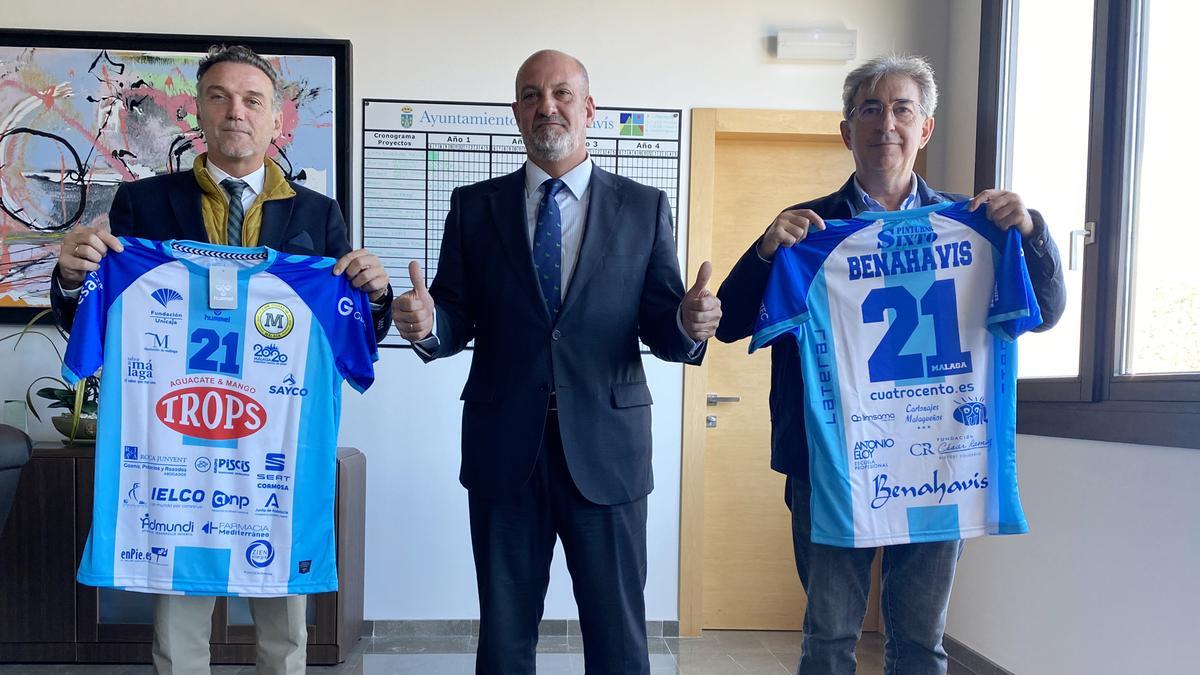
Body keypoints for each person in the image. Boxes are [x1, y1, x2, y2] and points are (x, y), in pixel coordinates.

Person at [715, 54, 1066, 675]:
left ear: (925, 128)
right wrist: (767, 250)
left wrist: (1032, 232)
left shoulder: (976, 226)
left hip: (940, 461)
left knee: (919, 643)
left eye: (902, 108)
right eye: (870, 109)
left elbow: (1046, 311)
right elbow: (735, 321)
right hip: (828, 467)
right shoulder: (807, 230)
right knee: (828, 641)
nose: (887, 123)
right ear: (847, 130)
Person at [50, 44, 392, 675]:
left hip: (275, 446)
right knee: (178, 623)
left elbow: (349, 327)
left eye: (252, 99)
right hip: (173, 442)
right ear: (198, 114)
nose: (236, 111)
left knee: (285, 626)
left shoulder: (319, 213)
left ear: (275, 119)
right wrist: (74, 279)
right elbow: (101, 312)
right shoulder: (144, 205)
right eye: (220, 96)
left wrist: (376, 294)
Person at [392, 49, 721, 674]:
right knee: (505, 636)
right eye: (532, 94)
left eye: (562, 93)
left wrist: (687, 322)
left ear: (588, 108)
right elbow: (457, 313)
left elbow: (661, 317)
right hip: (504, 448)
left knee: (619, 636)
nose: (548, 105)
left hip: (608, 449)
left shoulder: (643, 207)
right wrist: (429, 324)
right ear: (515, 111)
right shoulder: (473, 207)